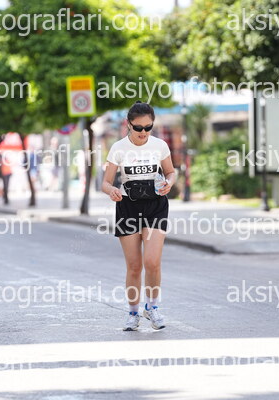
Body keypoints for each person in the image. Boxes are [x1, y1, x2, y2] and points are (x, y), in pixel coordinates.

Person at [102, 101, 176, 331]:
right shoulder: (118, 148)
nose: (143, 132)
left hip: (156, 206)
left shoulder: (159, 145)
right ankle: (133, 313)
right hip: (128, 207)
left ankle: (152, 308)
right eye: (138, 128)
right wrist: (112, 191)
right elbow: (105, 182)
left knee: (152, 262)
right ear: (129, 125)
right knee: (134, 266)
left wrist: (169, 183)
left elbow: (171, 172)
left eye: (148, 127)